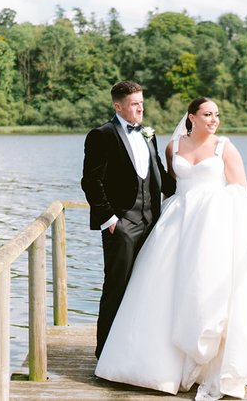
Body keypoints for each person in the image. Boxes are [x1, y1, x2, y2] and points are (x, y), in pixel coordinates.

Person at [94, 97, 247, 401]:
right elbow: (165, 183)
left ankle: (201, 363)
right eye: (207, 114)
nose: (214, 119)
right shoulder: (174, 146)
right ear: (192, 117)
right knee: (159, 288)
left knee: (201, 288)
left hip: (210, 227)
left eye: (217, 114)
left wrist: (217, 213)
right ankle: (151, 366)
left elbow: (240, 192)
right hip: (175, 223)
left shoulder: (225, 147)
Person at [81, 80, 175, 359]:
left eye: (142, 103)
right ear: (117, 106)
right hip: (121, 226)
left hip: (152, 224)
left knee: (148, 288)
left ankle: (138, 352)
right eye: (135, 104)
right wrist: (110, 220)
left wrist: (190, 190)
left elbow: (158, 172)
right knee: (116, 288)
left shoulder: (148, 134)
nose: (140, 108)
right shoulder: (101, 135)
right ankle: (105, 354)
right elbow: (91, 181)